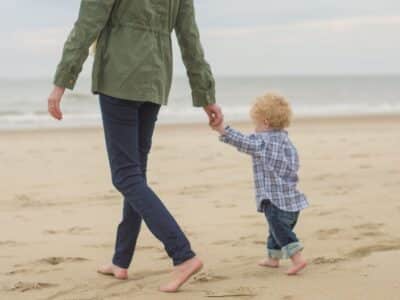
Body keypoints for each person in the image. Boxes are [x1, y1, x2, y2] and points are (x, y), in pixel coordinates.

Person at [47, 0, 223, 292]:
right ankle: (121, 260)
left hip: (119, 77)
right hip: (154, 80)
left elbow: (87, 25)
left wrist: (61, 82)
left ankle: (183, 255)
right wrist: (206, 94)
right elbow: (189, 37)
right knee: (135, 174)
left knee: (126, 176)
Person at [211, 93, 308, 275]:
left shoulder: (262, 142)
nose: (254, 129)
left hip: (274, 201)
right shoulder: (286, 140)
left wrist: (221, 129)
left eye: (255, 124)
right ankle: (273, 258)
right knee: (275, 230)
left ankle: (297, 258)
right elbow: (294, 165)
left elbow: (243, 141)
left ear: (265, 122)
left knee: (280, 231)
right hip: (292, 202)